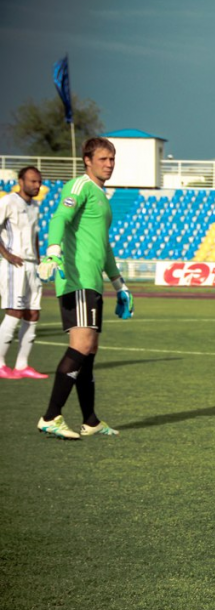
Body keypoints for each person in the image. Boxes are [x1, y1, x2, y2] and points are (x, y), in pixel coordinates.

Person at [36, 137, 134, 440]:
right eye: (103, 159)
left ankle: (90, 421)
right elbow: (60, 217)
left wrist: (119, 285)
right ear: (87, 160)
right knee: (80, 346)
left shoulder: (103, 198)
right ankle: (51, 416)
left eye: (112, 159)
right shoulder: (79, 187)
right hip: (76, 278)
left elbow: (104, 247)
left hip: (93, 281)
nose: (109, 164)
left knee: (89, 350)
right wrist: (52, 251)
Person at [0, 166, 48, 379]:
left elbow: (35, 237)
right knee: (14, 311)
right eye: (32, 181)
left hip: (31, 266)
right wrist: (8, 255)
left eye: (39, 182)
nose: (37, 185)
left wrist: (39, 263)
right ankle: (0, 363)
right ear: (21, 181)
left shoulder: (35, 206)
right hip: (14, 265)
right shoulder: (8, 201)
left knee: (33, 313)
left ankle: (22, 365)